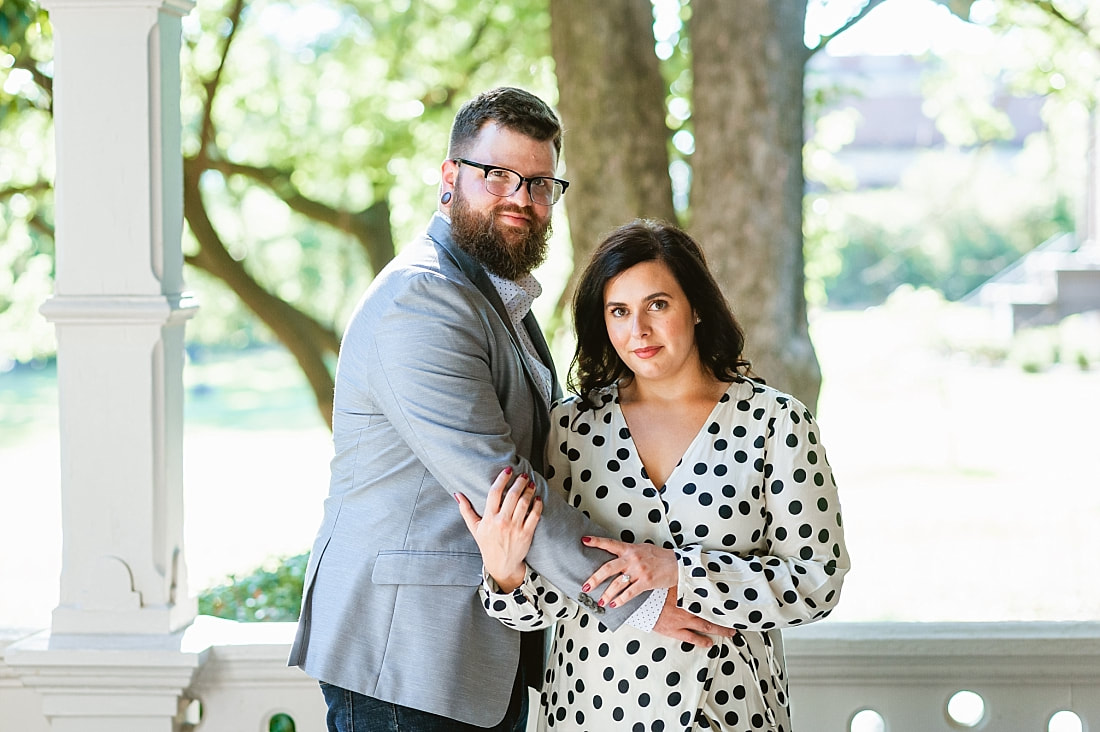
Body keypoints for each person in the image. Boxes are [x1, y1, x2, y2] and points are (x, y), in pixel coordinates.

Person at [288, 88, 732, 732]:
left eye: (540, 182)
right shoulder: (422, 301)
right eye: (497, 175)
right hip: (407, 658)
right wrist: (634, 598)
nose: (521, 198)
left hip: (483, 650)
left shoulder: (494, 296)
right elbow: (503, 484)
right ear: (450, 177)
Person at [457, 219, 851, 731]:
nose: (638, 330)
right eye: (619, 311)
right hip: (591, 711)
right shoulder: (571, 427)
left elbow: (819, 581)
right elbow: (543, 605)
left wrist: (681, 571)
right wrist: (505, 573)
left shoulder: (775, 423)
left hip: (727, 713)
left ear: (698, 307)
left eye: (657, 305)